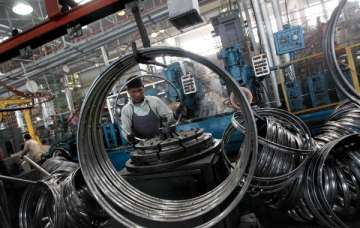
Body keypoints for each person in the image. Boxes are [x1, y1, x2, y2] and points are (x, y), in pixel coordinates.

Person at [121, 76, 175, 142]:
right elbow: (126, 131)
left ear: (143, 88)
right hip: (142, 146)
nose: (137, 94)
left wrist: (171, 122)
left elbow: (169, 117)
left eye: (140, 90)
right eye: (133, 91)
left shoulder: (155, 101)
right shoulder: (126, 110)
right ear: (128, 92)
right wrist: (128, 137)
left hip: (162, 141)